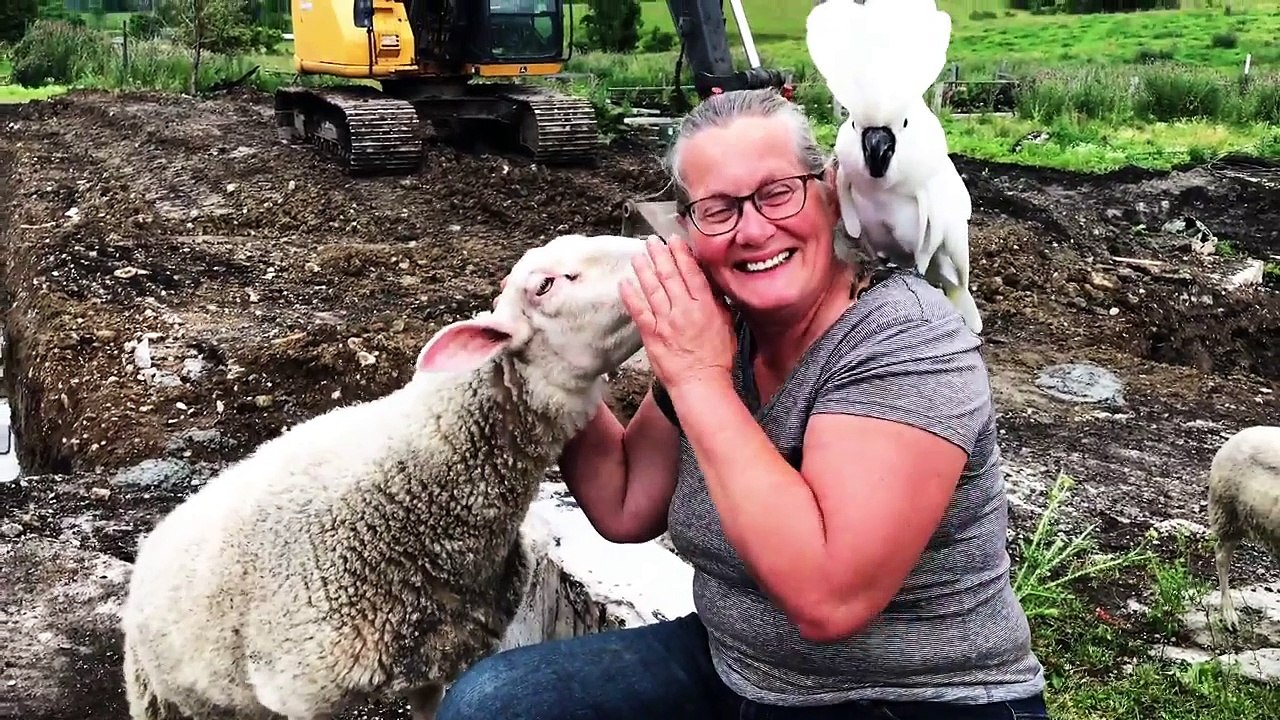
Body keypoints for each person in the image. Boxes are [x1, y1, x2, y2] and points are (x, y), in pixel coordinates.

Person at [434, 87, 1049, 720]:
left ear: (831, 191)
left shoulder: (905, 340)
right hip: (738, 666)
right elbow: (624, 504)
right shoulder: (729, 326)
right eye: (719, 209)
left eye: (779, 192)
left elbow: (829, 598)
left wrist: (700, 376)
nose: (754, 231)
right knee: (492, 705)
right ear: (688, 226)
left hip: (902, 696)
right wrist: (551, 361)